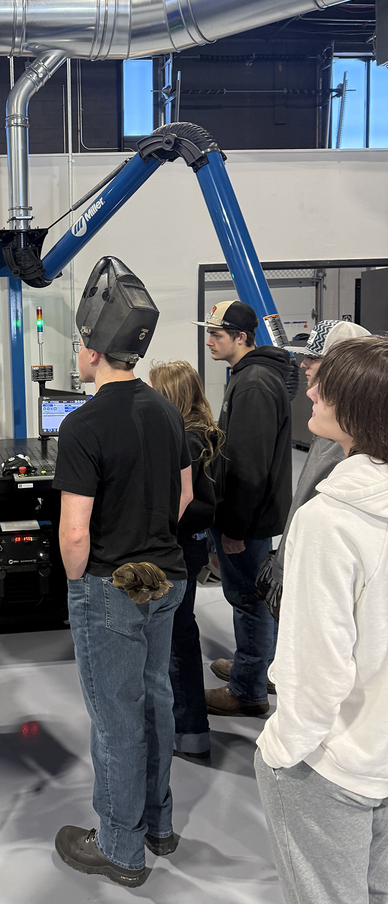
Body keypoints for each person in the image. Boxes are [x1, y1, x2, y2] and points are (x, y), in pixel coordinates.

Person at [52, 257, 192, 889]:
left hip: (110, 586)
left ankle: (120, 846)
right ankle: (159, 825)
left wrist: (77, 584)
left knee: (115, 718)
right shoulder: (167, 411)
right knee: (155, 700)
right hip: (169, 579)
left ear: (92, 351)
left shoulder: (82, 425)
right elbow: (184, 496)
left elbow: (74, 531)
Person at [255, 336, 388, 904]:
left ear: (359, 409)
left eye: (325, 387)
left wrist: (281, 750)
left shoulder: (330, 521)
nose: (309, 389)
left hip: (332, 765)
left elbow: (318, 666)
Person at [193, 300, 293, 718]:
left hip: (246, 520)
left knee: (248, 601)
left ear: (241, 337)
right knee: (253, 599)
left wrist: (234, 527)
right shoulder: (249, 376)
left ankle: (247, 690)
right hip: (250, 515)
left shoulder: (252, 384)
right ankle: (256, 667)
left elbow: (248, 467)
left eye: (217, 334)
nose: (209, 341)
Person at [255, 319, 370, 621]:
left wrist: (285, 570)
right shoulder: (331, 431)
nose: (303, 364)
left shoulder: (340, 439)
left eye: (313, 357)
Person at [149, 360, 223, 763]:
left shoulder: (187, 442)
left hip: (179, 547)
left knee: (178, 638)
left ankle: (189, 729)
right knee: (181, 631)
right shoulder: (204, 434)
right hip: (192, 546)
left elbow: (185, 502)